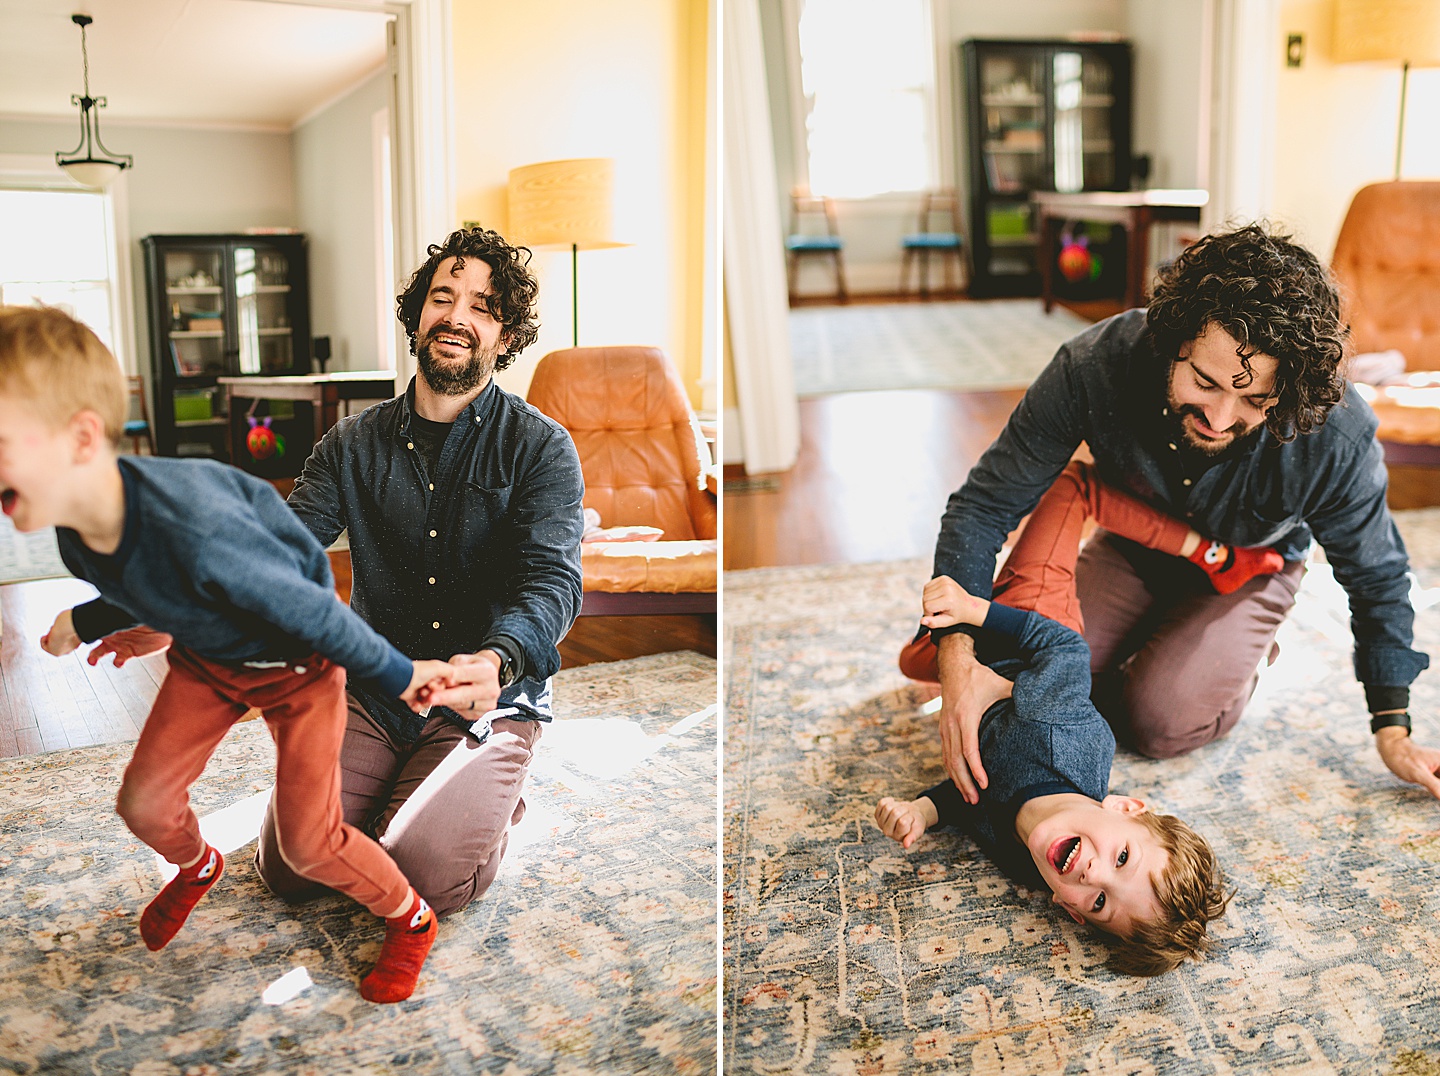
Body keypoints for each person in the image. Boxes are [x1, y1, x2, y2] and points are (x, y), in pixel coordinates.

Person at [94, 226, 586, 918]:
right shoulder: (351, 443)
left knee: (423, 875)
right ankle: (427, 794)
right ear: (418, 316)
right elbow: (275, 553)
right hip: (374, 689)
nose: (456, 317)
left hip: (485, 696)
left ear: (505, 337)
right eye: (442, 298)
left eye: (481, 306)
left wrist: (499, 660)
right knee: (293, 866)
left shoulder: (541, 448)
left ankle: (492, 802)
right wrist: (171, 611)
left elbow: (553, 581)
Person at [0, 304, 452, 1004]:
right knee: (145, 805)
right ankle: (198, 865)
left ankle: (411, 918)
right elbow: (145, 578)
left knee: (310, 844)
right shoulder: (72, 531)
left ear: (81, 438)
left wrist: (403, 674)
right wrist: (92, 620)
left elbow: (314, 613)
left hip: (300, 669)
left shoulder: (198, 530)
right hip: (212, 661)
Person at [926, 223, 1438, 807]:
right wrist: (957, 660)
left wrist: (1393, 729)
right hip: (1135, 547)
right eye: (1205, 382)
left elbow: (1376, 576)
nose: (1220, 418)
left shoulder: (1334, 434)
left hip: (1254, 566)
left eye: (1254, 401)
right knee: (1020, 681)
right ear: (1175, 338)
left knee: (1160, 720)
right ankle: (1170, 645)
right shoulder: (1094, 366)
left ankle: (1242, 654)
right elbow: (985, 504)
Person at [878, 462, 1235, 976]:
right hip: (1030, 625)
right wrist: (974, 613)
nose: (1093, 875)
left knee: (912, 663)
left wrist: (922, 812)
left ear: (1070, 911)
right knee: (1068, 488)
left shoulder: (1025, 863)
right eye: (1122, 860)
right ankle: (1209, 552)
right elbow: (1063, 649)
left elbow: (972, 792)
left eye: (1099, 903)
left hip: (994, 665)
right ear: (1127, 808)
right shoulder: (1066, 736)